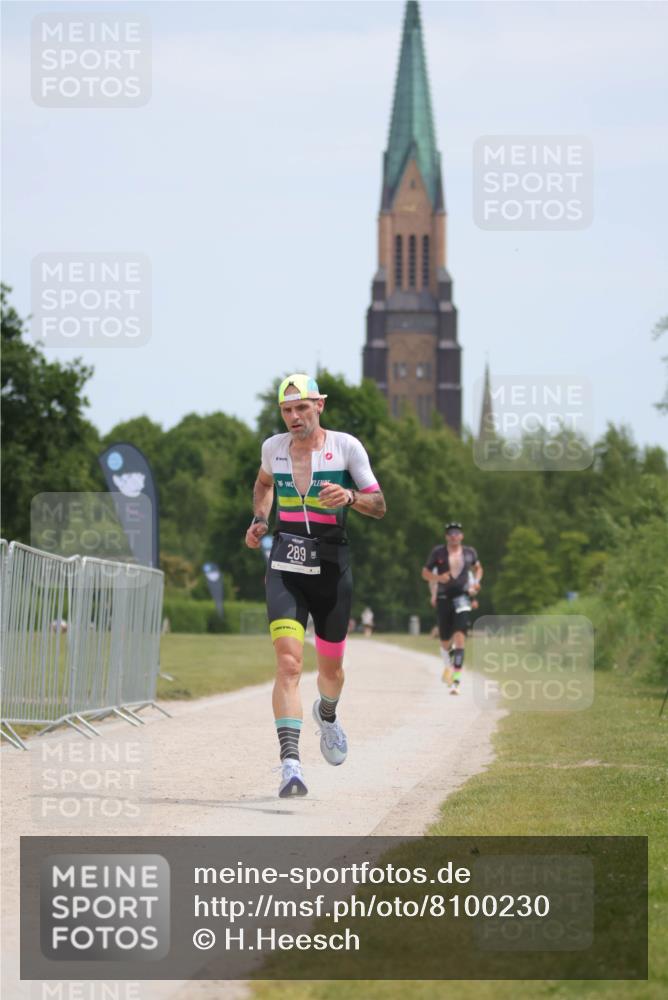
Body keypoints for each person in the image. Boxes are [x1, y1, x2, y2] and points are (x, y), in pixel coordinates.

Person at [245, 373, 386, 797]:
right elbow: (263, 483)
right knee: (288, 664)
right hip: (286, 564)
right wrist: (259, 520)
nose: (293, 417)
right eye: (286, 410)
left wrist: (349, 498)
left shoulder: (345, 447)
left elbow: (379, 505)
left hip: (331, 565)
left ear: (319, 405)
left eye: (301, 408)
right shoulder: (273, 448)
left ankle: (327, 714)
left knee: (332, 672)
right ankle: (291, 764)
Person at [421, 523, 483, 695]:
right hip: (443, 599)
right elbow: (425, 573)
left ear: (461, 536)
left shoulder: (470, 552)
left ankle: (456, 681)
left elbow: (478, 569)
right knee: (445, 641)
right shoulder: (438, 552)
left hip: (462, 598)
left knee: (460, 637)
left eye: (457, 533)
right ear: (446, 536)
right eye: (450, 533)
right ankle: (448, 666)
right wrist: (438, 577)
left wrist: (476, 584)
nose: (454, 536)